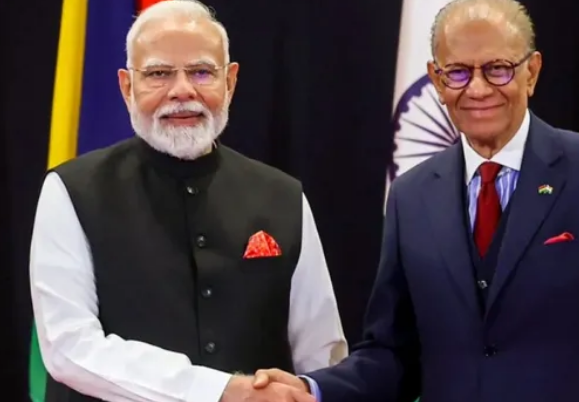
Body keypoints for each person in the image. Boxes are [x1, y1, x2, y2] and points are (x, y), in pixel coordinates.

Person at [251, 0, 579, 401]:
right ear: (436, 78)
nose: (478, 89)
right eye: (458, 72)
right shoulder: (412, 196)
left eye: (498, 69)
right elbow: (393, 354)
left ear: (532, 71)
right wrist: (313, 390)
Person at [28, 1, 347, 402]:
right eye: (158, 74)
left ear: (230, 82)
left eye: (201, 72)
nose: (182, 91)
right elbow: (69, 346)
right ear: (127, 87)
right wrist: (220, 391)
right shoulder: (71, 191)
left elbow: (322, 356)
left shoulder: (283, 196)